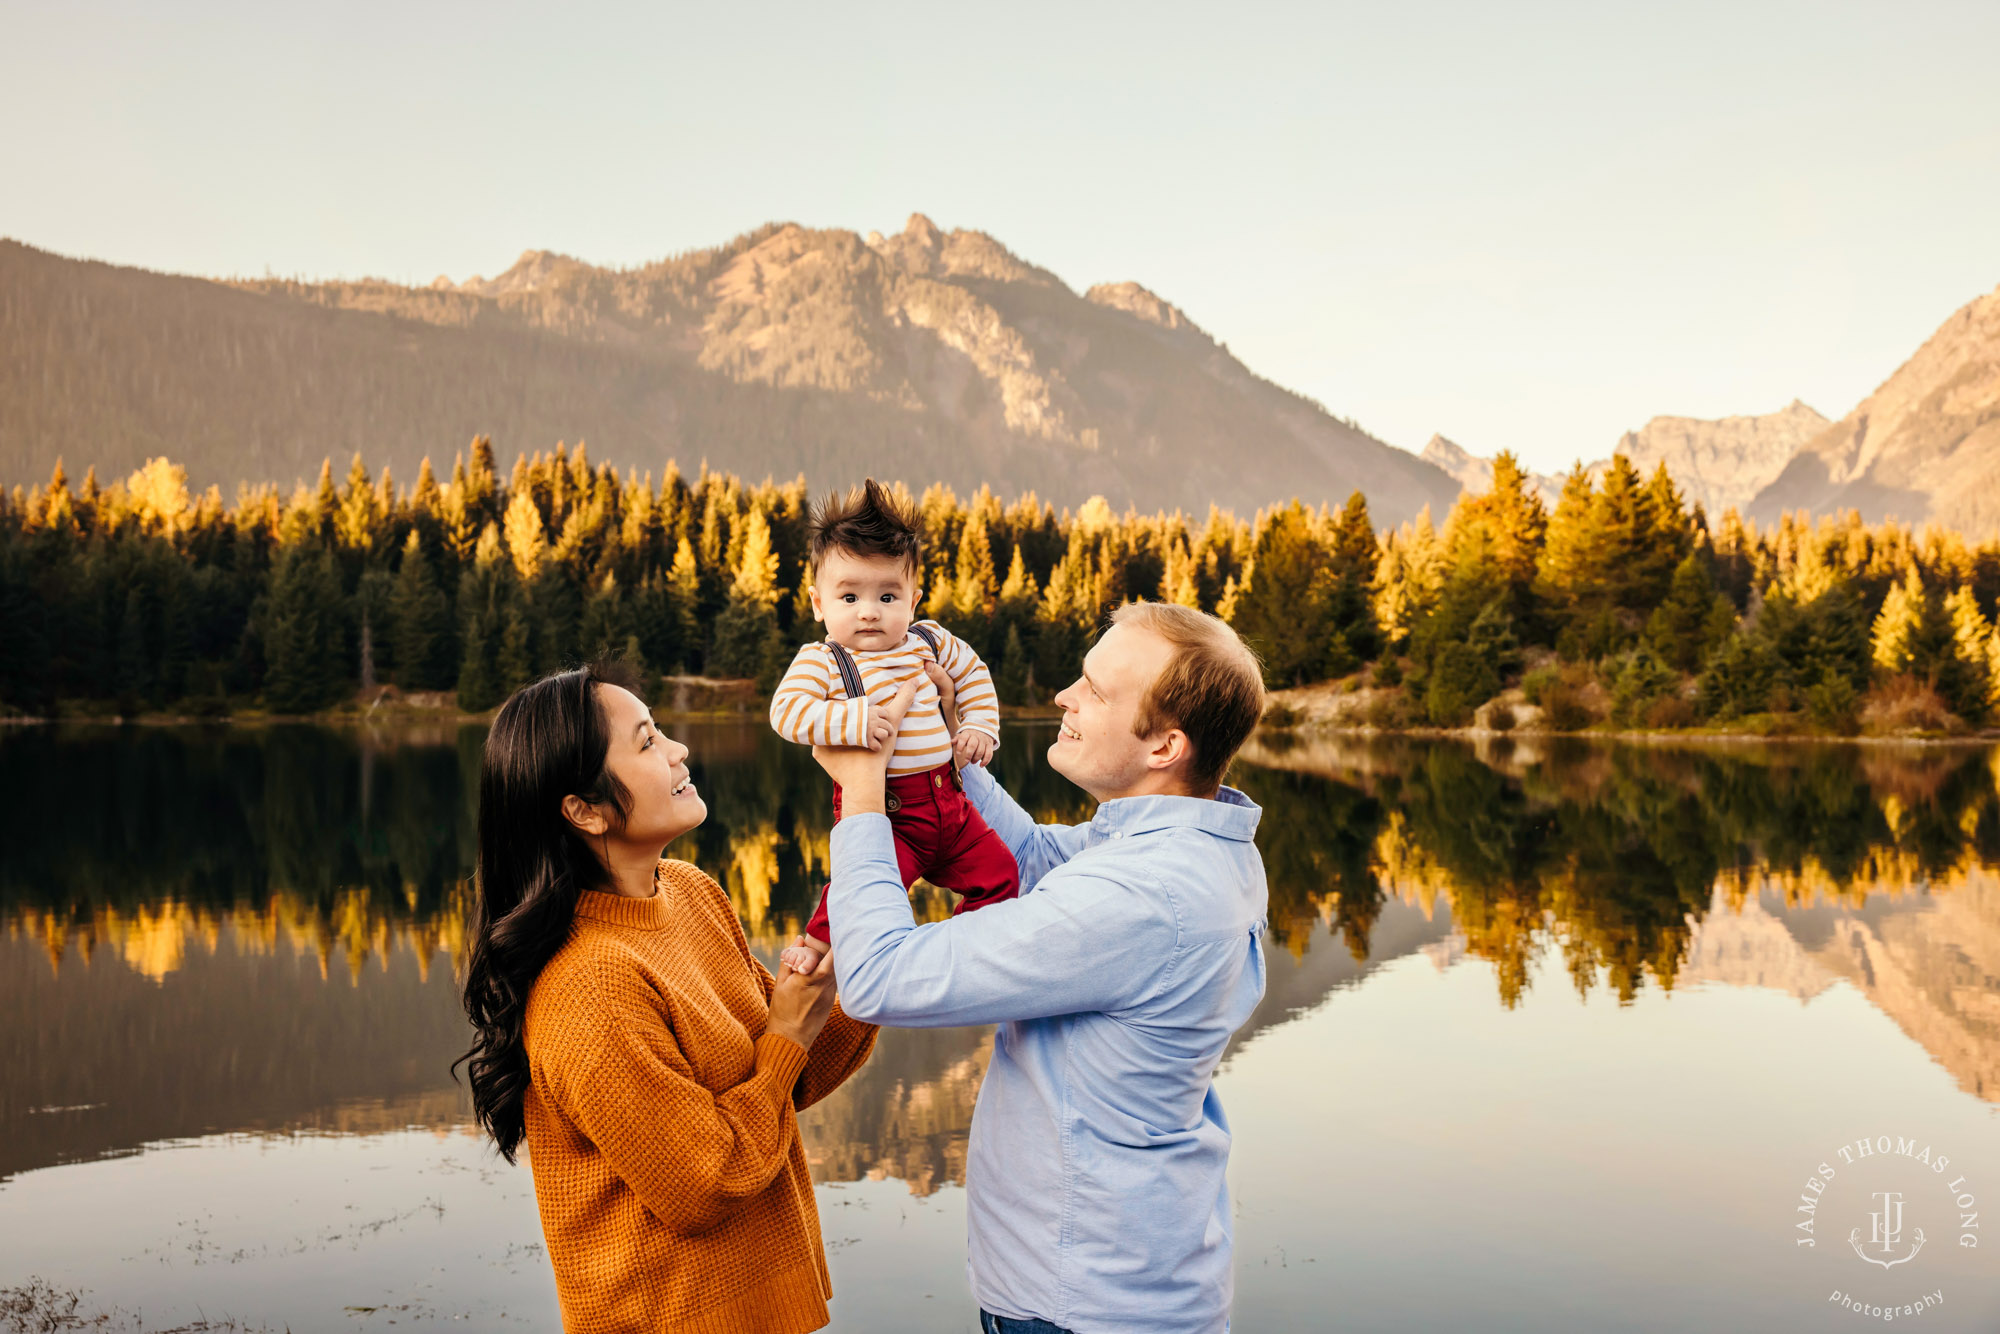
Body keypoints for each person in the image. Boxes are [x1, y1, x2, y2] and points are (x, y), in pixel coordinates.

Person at [810, 601, 1270, 1334]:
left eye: (1094, 688)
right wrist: (943, 750)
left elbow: (878, 978)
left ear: (1164, 747)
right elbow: (1031, 865)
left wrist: (863, 794)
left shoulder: (1139, 898)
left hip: (1083, 1304)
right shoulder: (1193, 845)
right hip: (1117, 1282)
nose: (1065, 697)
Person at [457, 660, 878, 1334]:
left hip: (761, 1312)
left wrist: (869, 960)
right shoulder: (590, 988)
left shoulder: (688, 893)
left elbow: (782, 1087)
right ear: (584, 810)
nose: (680, 749)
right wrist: (788, 1038)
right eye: (648, 741)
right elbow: (703, 1182)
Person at [768, 478, 1018, 975]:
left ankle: (966, 953)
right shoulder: (824, 660)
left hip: (951, 803)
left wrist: (979, 727)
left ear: (913, 601)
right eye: (848, 597)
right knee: (862, 892)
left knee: (1002, 875)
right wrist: (850, 718)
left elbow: (973, 673)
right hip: (889, 813)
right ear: (818, 603)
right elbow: (786, 713)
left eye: (887, 596)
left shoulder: (928, 640)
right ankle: (818, 945)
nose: (868, 611)